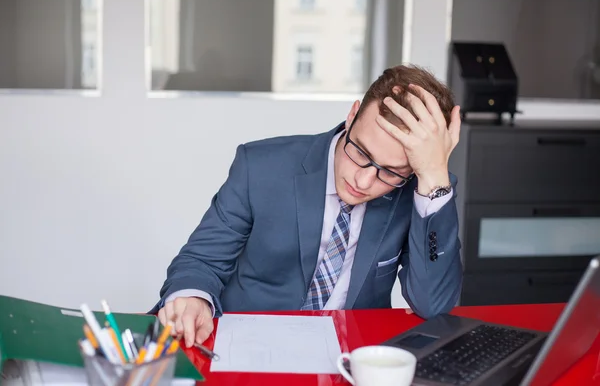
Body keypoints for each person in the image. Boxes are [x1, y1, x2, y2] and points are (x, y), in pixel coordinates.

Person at [151, 65, 463, 348]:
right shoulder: (261, 167)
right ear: (352, 116)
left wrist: (434, 180)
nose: (365, 180)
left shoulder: (420, 191)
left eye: (391, 172)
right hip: (250, 344)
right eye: (360, 152)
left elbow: (433, 304)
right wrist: (192, 298)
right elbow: (201, 260)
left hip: (351, 352)